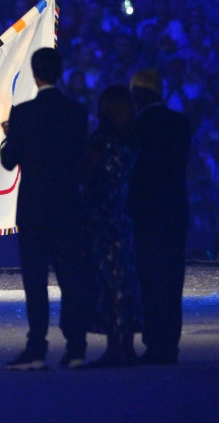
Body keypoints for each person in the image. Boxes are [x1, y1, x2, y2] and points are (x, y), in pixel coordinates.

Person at [0, 47, 90, 370]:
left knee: (35, 282)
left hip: (34, 209)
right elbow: (83, 158)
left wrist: (9, 138)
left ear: (35, 74)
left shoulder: (23, 114)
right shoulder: (77, 112)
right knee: (72, 278)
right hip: (68, 206)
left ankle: (37, 348)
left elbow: (9, 163)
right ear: (60, 72)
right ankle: (77, 348)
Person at [128, 69, 191, 365]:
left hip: (145, 212)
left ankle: (155, 343)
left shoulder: (135, 127)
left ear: (136, 96)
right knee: (172, 278)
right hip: (175, 210)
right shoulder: (181, 124)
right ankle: (171, 344)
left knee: (150, 279)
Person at [80, 85, 142, 367]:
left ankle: (115, 347)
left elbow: (87, 172)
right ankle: (126, 345)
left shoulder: (103, 139)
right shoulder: (131, 139)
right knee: (125, 278)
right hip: (123, 212)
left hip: (103, 215)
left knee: (109, 280)